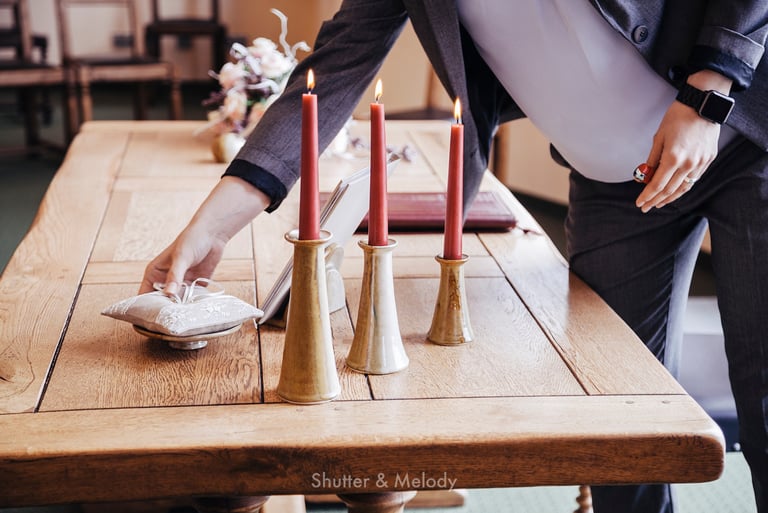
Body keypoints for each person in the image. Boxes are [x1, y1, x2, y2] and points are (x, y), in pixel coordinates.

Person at [141, 2, 768, 512]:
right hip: (614, 182)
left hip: (746, 137)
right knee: (620, 419)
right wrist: (212, 227)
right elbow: (333, 70)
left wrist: (707, 97)